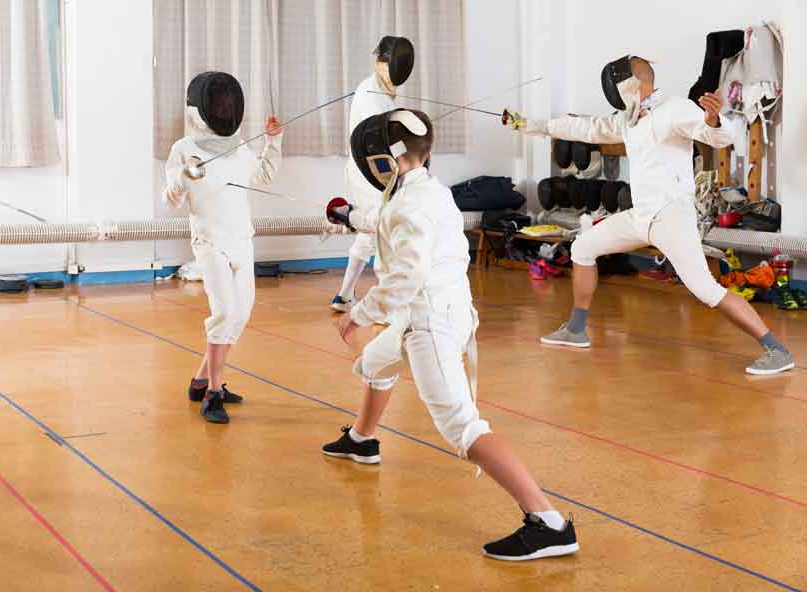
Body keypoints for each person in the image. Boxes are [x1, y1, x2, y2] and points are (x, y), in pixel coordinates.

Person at [322, 108, 579, 560]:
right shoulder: (422, 189)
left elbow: (404, 276)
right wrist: (349, 217)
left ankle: (549, 522)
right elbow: (386, 219)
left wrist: (358, 313)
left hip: (429, 323)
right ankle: (363, 440)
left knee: (463, 427)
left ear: (386, 158)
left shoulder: (410, 203)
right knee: (374, 363)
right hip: (444, 309)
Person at [506, 55, 794, 375]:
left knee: (706, 290)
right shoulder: (629, 119)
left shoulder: (674, 109)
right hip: (641, 217)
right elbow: (586, 127)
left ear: (637, 85)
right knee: (583, 247)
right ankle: (575, 328)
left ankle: (776, 349)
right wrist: (530, 125)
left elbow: (719, 136)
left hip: (672, 217)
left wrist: (714, 121)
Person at [163, 71, 282, 423]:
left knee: (240, 315)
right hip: (210, 243)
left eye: (226, 102)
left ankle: (200, 381)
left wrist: (273, 142)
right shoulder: (183, 150)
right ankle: (213, 393)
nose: (223, 107)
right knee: (225, 313)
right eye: (217, 103)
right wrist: (184, 176)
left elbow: (262, 176)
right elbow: (170, 199)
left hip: (241, 240)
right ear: (201, 109)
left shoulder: (239, 146)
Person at [330, 36, 414, 312]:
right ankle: (387, 306)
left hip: (375, 170)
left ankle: (344, 296)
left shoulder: (383, 93)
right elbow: (384, 138)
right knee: (384, 230)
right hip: (370, 172)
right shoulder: (370, 93)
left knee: (370, 233)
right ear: (383, 62)